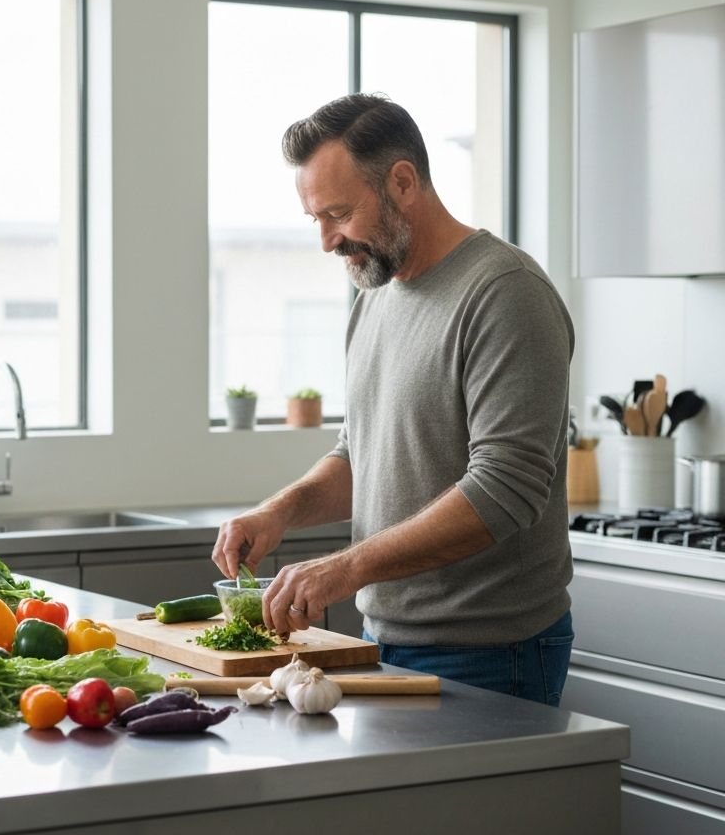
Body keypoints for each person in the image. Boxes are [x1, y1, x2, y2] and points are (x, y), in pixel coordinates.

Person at [211, 93, 575, 706]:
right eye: (315, 219)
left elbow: (505, 489)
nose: (327, 240)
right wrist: (280, 511)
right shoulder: (374, 296)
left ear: (403, 182)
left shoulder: (505, 293)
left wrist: (343, 568)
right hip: (383, 638)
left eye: (339, 213)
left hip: (491, 649)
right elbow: (363, 456)